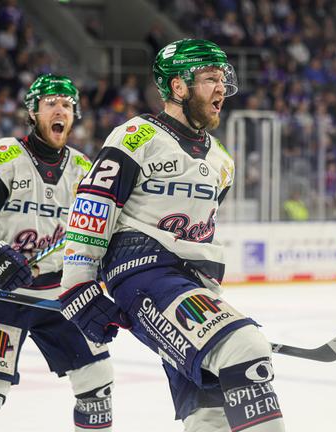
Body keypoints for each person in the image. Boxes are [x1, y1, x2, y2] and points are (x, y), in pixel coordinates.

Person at [59, 39, 286, 432]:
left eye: (222, 80)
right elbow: (94, 205)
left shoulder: (221, 160)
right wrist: (78, 284)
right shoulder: (136, 136)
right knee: (245, 347)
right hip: (143, 271)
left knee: (209, 410)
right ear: (178, 86)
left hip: (191, 285)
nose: (222, 89)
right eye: (210, 79)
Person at [0, 74, 114, 432]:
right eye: (51, 102)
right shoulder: (1, 157)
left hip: (61, 294)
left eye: (67, 105)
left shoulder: (85, 170)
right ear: (33, 111)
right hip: (3, 290)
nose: (60, 110)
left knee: (98, 386)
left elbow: (99, 237)